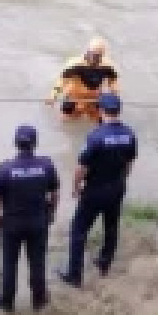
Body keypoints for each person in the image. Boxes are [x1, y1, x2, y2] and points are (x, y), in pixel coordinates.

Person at [58, 94, 137, 287]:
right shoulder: (129, 134)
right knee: (111, 227)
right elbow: (129, 164)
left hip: (95, 190)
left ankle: (74, 275)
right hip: (117, 187)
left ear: (101, 111)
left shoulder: (96, 136)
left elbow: (81, 168)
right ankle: (104, 263)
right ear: (118, 111)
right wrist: (121, 181)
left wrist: (76, 188)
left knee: (78, 230)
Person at [0, 125, 60, 312]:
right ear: (35, 143)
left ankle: (6, 301)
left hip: (11, 224)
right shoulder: (46, 165)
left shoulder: (4, 168)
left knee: (9, 263)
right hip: (38, 222)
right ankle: (39, 300)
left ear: (15, 143)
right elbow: (55, 193)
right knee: (37, 262)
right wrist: (51, 212)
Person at [47, 37, 119, 124]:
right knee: (65, 123)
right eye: (91, 54)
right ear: (87, 51)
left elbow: (113, 82)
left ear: (102, 55)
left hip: (94, 98)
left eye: (97, 56)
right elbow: (62, 81)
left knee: (102, 122)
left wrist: (114, 96)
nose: (93, 58)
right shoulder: (75, 64)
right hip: (74, 97)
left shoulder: (108, 66)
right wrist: (54, 95)